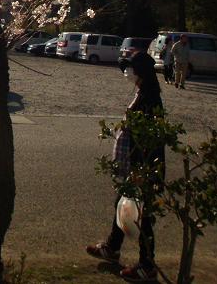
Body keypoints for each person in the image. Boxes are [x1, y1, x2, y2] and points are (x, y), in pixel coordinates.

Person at [86, 51, 164, 282]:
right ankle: (112, 246)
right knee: (123, 204)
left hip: (144, 165)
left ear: (140, 72)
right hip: (136, 163)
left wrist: (142, 170)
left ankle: (147, 265)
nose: (127, 72)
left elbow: (148, 138)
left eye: (131, 68)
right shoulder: (144, 92)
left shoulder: (149, 98)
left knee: (143, 216)